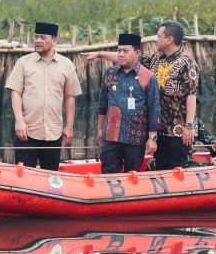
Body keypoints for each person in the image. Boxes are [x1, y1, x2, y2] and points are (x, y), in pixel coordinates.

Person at [85, 21, 199, 169]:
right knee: (161, 165)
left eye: (158, 36)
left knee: (178, 166)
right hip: (159, 127)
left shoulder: (187, 63)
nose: (155, 39)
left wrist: (189, 125)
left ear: (169, 39)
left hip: (178, 127)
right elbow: (125, 57)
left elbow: (191, 94)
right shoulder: (157, 59)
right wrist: (100, 54)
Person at [5, 22, 82, 171]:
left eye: (42, 37)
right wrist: (19, 121)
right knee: (24, 176)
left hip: (54, 132)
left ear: (54, 40)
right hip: (26, 132)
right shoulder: (23, 63)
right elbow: (15, 92)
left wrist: (69, 126)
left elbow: (70, 97)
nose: (38, 41)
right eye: (36, 37)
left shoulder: (66, 65)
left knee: (50, 177)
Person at [96, 33, 160, 173]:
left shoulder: (148, 77)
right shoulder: (110, 73)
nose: (121, 54)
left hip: (135, 138)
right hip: (110, 136)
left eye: (125, 51)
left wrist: (152, 138)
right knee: (108, 173)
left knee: (132, 175)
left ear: (137, 53)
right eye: (119, 51)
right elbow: (102, 105)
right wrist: (100, 130)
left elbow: (154, 110)